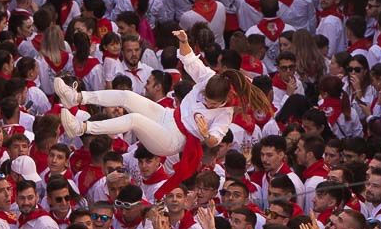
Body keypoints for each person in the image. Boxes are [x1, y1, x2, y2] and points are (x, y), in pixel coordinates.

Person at [57, 30, 271, 196]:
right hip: (168, 115)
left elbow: (215, 139)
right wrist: (184, 41)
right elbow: (190, 60)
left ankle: (81, 127)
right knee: (127, 97)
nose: (206, 102)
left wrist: (206, 134)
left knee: (134, 119)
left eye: (211, 103)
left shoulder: (225, 113)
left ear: (223, 100)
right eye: (205, 97)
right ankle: (76, 98)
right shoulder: (208, 78)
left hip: (173, 140)